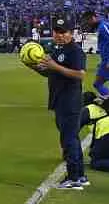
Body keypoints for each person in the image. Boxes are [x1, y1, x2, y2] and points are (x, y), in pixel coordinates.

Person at [27, 17, 88, 189]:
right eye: (56, 32)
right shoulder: (58, 49)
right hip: (59, 99)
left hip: (70, 101)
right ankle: (80, 176)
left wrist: (55, 66)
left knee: (68, 139)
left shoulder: (75, 51)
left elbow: (80, 74)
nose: (59, 35)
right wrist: (32, 66)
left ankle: (73, 178)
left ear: (71, 33)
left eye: (63, 32)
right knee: (71, 138)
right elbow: (50, 72)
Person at [81, 10, 109, 96]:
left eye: (88, 20)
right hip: (107, 61)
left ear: (93, 18)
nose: (88, 23)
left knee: (98, 84)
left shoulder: (103, 26)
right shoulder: (101, 27)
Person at [81, 92, 109, 172]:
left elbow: (94, 146)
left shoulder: (90, 111)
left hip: (108, 137)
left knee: (95, 163)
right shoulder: (106, 113)